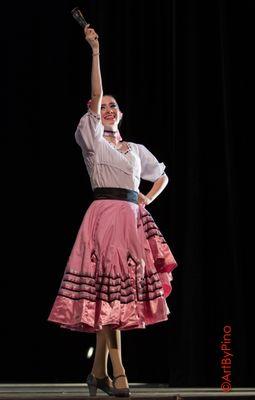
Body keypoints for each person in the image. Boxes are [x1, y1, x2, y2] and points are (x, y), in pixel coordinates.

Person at [47, 23, 178, 397]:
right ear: (92, 110)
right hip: (103, 218)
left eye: (112, 106)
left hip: (131, 220)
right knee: (110, 293)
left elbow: (162, 176)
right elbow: (95, 91)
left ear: (121, 113)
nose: (107, 108)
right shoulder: (90, 139)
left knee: (116, 295)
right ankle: (118, 371)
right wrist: (95, 51)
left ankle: (97, 373)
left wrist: (146, 199)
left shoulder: (134, 150)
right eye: (102, 105)